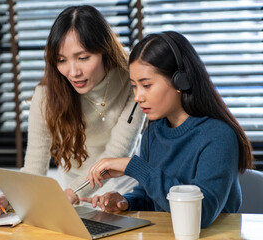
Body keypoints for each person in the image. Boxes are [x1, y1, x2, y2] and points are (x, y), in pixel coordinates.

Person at [0, 5, 144, 219]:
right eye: (62, 60)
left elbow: (117, 152)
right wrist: (5, 199)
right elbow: (33, 171)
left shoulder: (135, 77)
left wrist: (70, 194)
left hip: (124, 187)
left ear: (104, 49)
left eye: (83, 58)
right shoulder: (47, 95)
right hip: (74, 189)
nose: (73, 72)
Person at [81, 31, 254, 228]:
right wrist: (126, 201)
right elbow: (152, 197)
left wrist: (134, 166)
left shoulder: (218, 136)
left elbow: (201, 214)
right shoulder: (153, 132)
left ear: (181, 81)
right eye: (134, 86)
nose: (138, 97)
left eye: (146, 85)